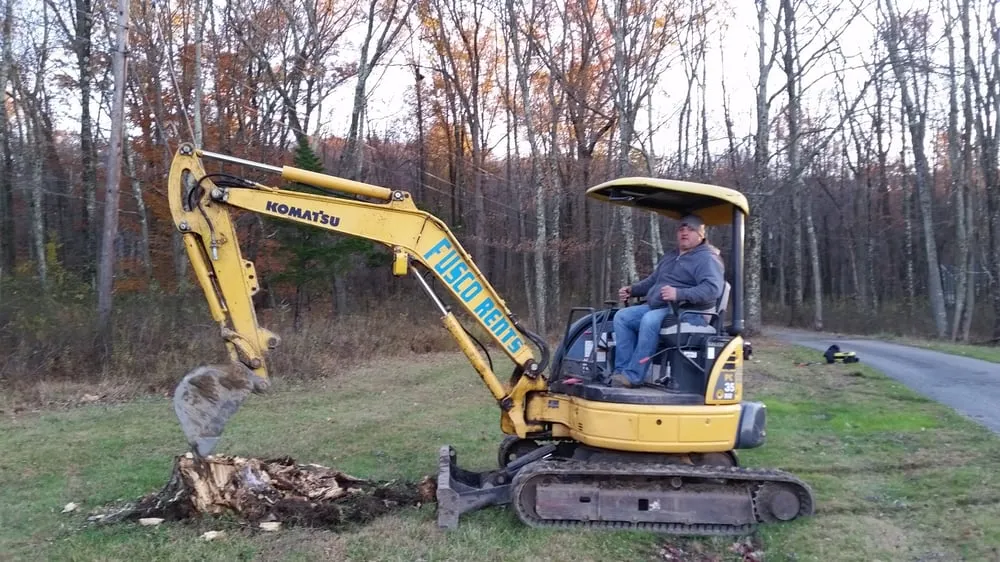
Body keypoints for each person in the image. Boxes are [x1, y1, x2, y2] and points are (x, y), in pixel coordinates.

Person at [610, 214, 724, 388]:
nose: (684, 232)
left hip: (689, 313)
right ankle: (621, 372)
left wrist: (679, 293)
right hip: (662, 307)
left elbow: (712, 289)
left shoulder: (707, 258)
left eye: (691, 229)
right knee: (622, 316)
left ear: (701, 234)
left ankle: (633, 376)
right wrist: (632, 290)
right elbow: (653, 281)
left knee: (650, 320)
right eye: (681, 229)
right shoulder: (671, 256)